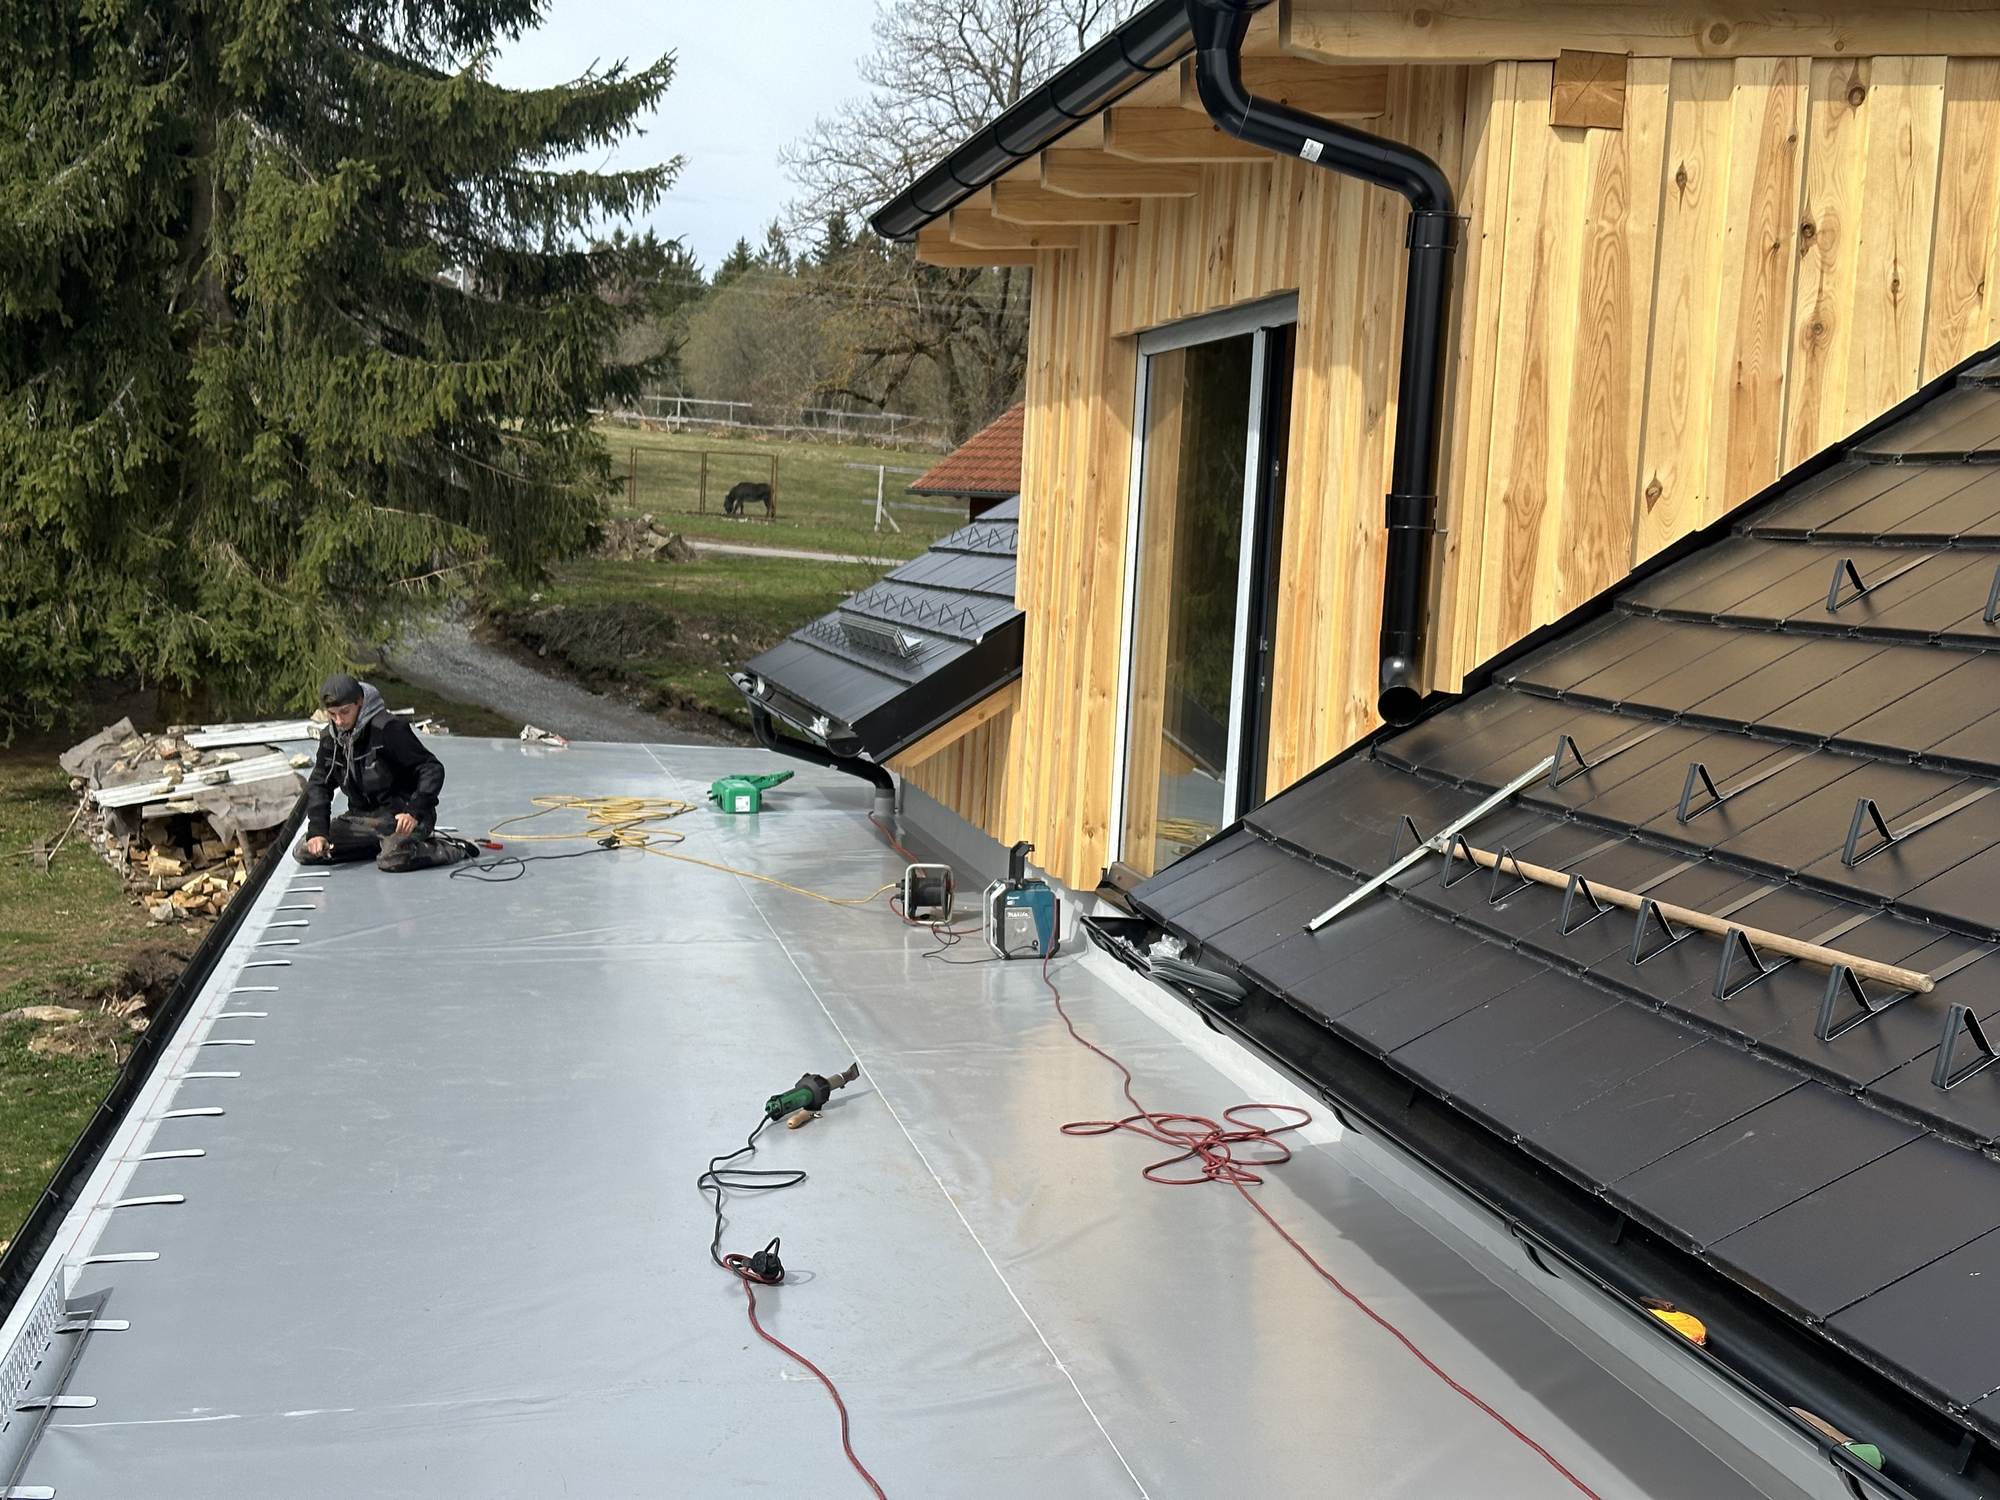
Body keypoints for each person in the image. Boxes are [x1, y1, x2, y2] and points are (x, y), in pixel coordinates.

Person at [294, 675, 471, 872]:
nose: (339, 721)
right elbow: (319, 784)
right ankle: (383, 846)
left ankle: (453, 849)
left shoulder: (388, 729)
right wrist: (318, 831)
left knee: (393, 860)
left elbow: (431, 768)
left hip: (403, 817)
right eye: (332, 714)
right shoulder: (330, 739)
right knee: (305, 850)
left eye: (345, 712)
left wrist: (414, 811)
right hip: (363, 820)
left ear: (360, 702)